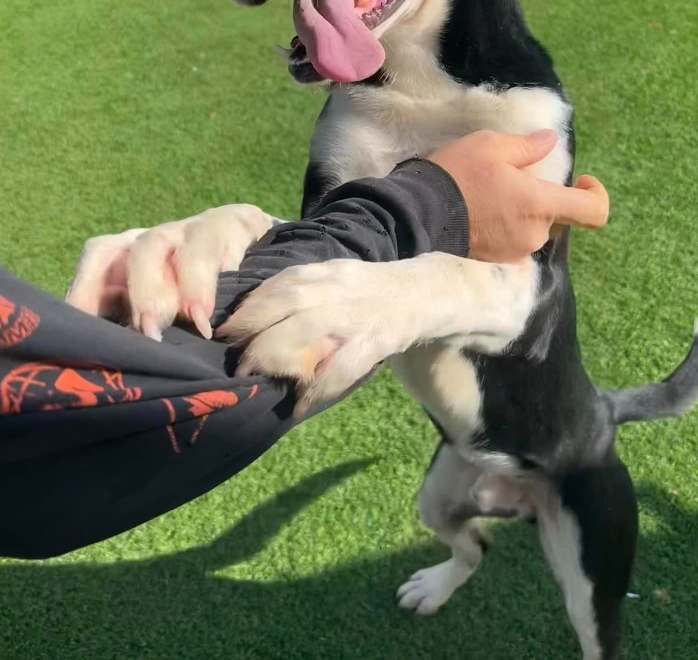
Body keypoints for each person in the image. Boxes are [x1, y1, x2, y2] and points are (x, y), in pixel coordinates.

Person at [0, 130, 608, 559]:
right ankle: (458, 564)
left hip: (566, 445)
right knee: (441, 522)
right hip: (465, 443)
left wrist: (261, 246)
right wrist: (420, 209)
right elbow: (184, 389)